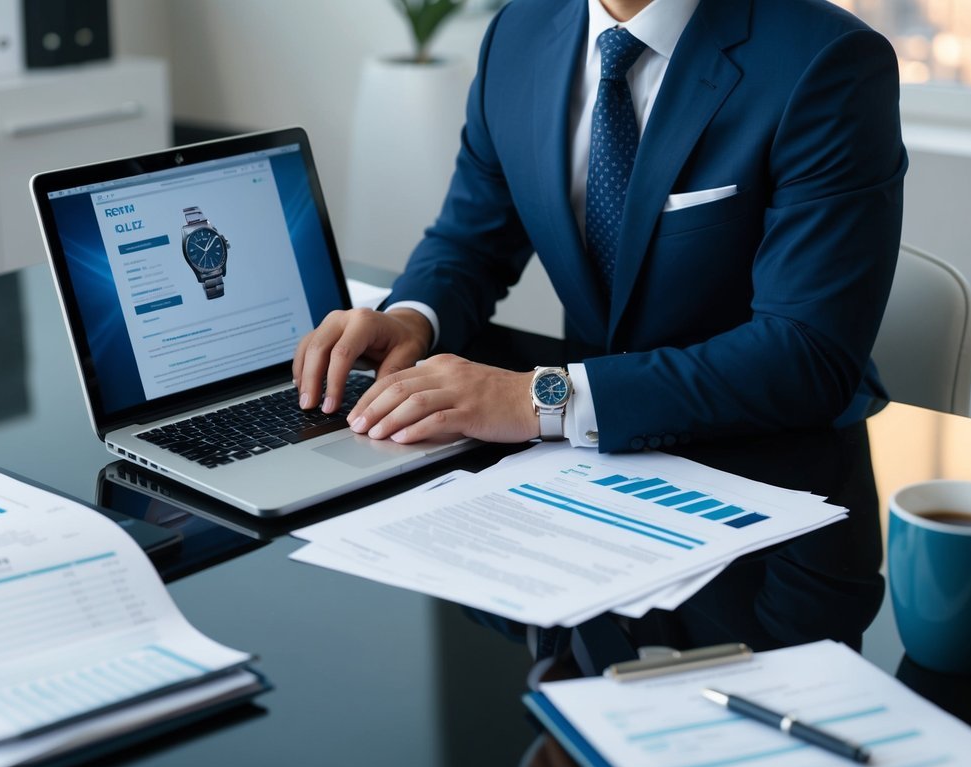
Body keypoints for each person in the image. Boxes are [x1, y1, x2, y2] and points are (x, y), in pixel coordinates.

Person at [293, 0, 906, 454]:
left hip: (779, 465)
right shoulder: (518, 33)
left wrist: (536, 398)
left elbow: (805, 355)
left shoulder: (828, 61)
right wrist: (409, 320)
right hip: (584, 467)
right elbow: (469, 242)